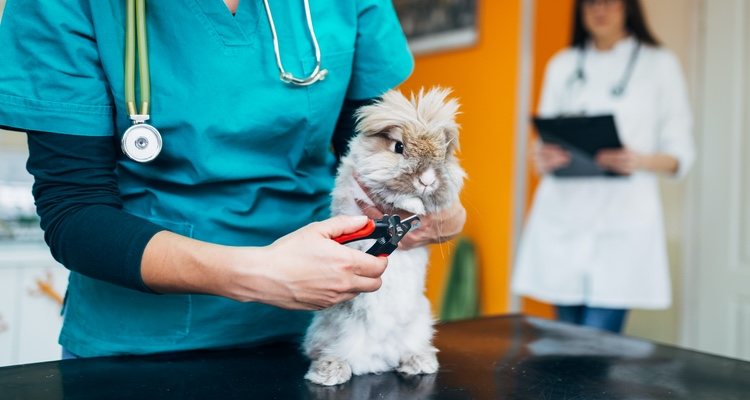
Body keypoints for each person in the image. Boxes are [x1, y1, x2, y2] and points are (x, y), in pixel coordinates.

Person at [0, 0, 466, 358]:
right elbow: (75, 214)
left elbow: (374, 142)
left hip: (332, 328)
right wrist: (260, 273)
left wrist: (440, 211)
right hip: (143, 343)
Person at [512, 0, 694, 333]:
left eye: (610, 2)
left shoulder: (659, 64)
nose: (600, 10)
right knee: (565, 345)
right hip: (563, 218)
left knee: (599, 344)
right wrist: (543, 157)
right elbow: (541, 144)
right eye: (591, 3)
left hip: (622, 222)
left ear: (629, 8)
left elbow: (680, 155)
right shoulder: (563, 65)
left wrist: (637, 160)